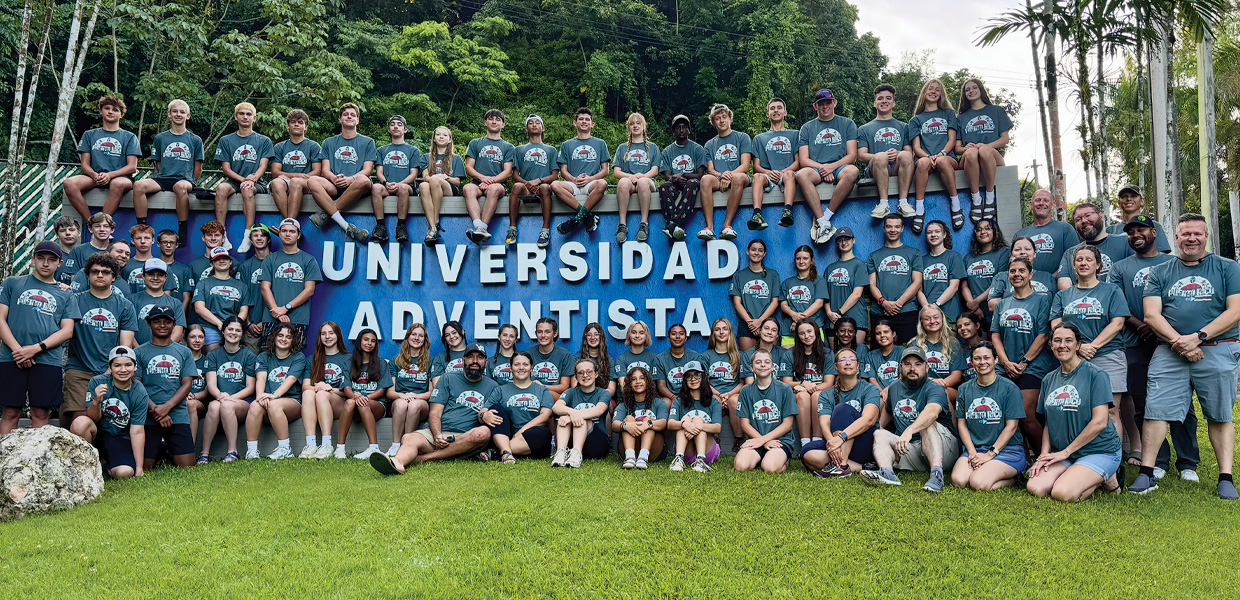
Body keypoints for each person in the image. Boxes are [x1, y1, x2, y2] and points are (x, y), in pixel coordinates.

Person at [1131, 214, 1240, 499]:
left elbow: (1235, 311)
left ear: (1206, 237)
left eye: (1197, 233)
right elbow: (1151, 314)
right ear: (1176, 238)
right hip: (1170, 350)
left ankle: (1225, 477)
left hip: (1217, 348)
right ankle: (1146, 473)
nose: (1191, 238)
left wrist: (1198, 337)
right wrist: (1181, 343)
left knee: (1219, 414)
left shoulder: (1228, 268)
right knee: (1155, 411)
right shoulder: (1161, 272)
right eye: (1185, 234)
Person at [1109, 215, 1198, 480]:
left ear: (1154, 233)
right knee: (1142, 403)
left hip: (1171, 342)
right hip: (1134, 342)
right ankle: (1158, 460)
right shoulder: (1120, 267)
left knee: (1182, 403)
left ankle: (1188, 462)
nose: (1136, 234)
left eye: (1141, 230)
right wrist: (1141, 325)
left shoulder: (1174, 263)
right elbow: (1118, 304)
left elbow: (1182, 300)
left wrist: (1160, 328)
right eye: (1131, 231)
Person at [371, 343, 502, 473]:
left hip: (467, 436)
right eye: (470, 357)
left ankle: (426, 458)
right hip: (442, 433)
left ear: (485, 362)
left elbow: (485, 416)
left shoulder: (493, 386)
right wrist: (437, 435)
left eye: (479, 357)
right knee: (409, 438)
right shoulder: (448, 379)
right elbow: (435, 412)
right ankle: (397, 462)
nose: (474, 361)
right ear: (463, 360)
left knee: (482, 433)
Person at [1027, 323, 1123, 501]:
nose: (1062, 345)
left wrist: (1066, 452)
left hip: (1098, 450)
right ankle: (1081, 472)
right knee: (1035, 487)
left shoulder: (1096, 375)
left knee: (1062, 493)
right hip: (1064, 452)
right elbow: (1049, 422)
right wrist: (1043, 456)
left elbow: (1100, 422)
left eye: (1068, 340)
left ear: (1078, 345)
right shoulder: (1049, 379)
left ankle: (1107, 478)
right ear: (1051, 345)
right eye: (1057, 341)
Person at [1050, 244, 1130, 453]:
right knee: (1080, 409)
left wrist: (1092, 346)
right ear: (1073, 265)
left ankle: (1112, 462)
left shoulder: (1111, 290)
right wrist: (1079, 348)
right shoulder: (1063, 296)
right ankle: (1082, 455)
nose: (1083, 263)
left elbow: (1117, 323)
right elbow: (1056, 325)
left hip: (1108, 354)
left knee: (1111, 412)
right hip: (1074, 359)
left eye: (1088, 260)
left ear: (1098, 265)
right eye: (1079, 260)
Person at [0, 242, 77, 435]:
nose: (45, 264)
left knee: (41, 412)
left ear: (59, 263)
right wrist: (19, 351)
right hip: (11, 357)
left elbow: (67, 331)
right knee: (10, 411)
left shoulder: (65, 293)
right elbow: (1, 319)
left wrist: (34, 349)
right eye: (41, 258)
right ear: (33, 259)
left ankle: (37, 463)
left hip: (47, 360)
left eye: (52, 260)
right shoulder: (13, 283)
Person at [861, 346, 959, 492]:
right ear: (901, 367)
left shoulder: (934, 388)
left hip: (944, 451)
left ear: (927, 368)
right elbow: (887, 412)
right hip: (913, 449)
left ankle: (937, 476)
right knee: (879, 434)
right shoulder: (894, 387)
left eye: (918, 364)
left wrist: (909, 430)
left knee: (927, 423)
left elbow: (932, 413)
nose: (912, 368)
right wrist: (879, 433)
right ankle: (887, 474)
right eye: (907, 364)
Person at [63, 253, 138, 429]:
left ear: (114, 277)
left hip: (112, 370)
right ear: (87, 275)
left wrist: (110, 370)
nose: (99, 275)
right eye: (95, 271)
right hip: (79, 369)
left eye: (105, 272)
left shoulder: (125, 306)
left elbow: (124, 346)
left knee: (112, 419)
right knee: (80, 418)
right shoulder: (74, 300)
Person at [990, 256, 1054, 455]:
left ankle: (1041, 456)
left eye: (1021, 271)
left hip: (1033, 366)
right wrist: (1006, 362)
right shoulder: (1002, 304)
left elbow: (1044, 334)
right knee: (1003, 415)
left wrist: (1024, 362)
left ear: (1030, 274)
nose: (1017, 274)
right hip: (1005, 366)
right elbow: (995, 335)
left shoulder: (1043, 300)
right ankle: (1021, 458)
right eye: (1013, 271)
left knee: (1026, 415)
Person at [951, 341, 1027, 490]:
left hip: (1007, 450)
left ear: (995, 360)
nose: (982, 362)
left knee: (978, 483)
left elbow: (1012, 427)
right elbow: (962, 424)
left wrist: (990, 454)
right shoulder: (964, 389)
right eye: (977, 359)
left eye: (987, 358)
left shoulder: (1010, 388)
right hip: (976, 449)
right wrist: (972, 452)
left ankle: (1014, 478)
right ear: (972, 362)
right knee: (958, 480)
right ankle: (987, 470)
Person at [134, 305, 199, 470]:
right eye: (157, 321)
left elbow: (187, 384)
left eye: (166, 322)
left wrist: (167, 407)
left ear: (174, 325)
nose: (162, 325)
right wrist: (157, 411)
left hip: (177, 414)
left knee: (187, 468)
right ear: (149, 324)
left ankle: (166, 451)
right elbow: (136, 385)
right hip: (148, 415)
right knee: (145, 467)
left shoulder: (184, 352)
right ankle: (162, 450)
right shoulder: (139, 352)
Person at [801, 348, 883, 477]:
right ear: (836, 367)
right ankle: (861, 468)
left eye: (852, 359)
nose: (848, 362)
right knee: (807, 452)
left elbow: (869, 420)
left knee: (842, 409)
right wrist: (832, 444)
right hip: (837, 443)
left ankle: (841, 466)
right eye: (843, 360)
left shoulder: (870, 389)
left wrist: (841, 438)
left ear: (858, 366)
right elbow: (824, 423)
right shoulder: (826, 394)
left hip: (864, 442)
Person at [131, 99, 203, 244]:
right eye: (175, 111)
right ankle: (142, 227)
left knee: (180, 187)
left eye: (182, 112)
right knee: (138, 186)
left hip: (185, 180)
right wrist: (165, 175)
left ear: (187, 116)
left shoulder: (195, 140)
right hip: (163, 178)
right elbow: (158, 163)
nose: (178, 114)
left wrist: (191, 182)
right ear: (169, 114)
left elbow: (198, 167)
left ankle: (182, 227)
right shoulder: (160, 138)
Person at [69, 346, 148, 478]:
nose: (123, 370)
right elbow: (93, 417)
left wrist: (139, 468)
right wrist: (96, 401)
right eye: (117, 365)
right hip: (98, 434)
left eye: (128, 365)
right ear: (110, 368)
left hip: (121, 438)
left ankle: (104, 466)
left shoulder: (140, 392)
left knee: (125, 472)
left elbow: (137, 431)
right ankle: (81, 466)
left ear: (135, 367)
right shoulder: (98, 382)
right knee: (80, 423)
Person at [795, 88, 860, 243]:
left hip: (840, 167)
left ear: (834, 103)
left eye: (828, 103)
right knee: (802, 174)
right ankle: (823, 222)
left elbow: (852, 156)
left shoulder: (847, 123)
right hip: (816, 168)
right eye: (821, 104)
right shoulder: (807, 128)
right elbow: (803, 159)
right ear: (815, 106)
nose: (825, 106)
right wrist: (823, 168)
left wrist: (832, 167)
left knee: (853, 171)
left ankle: (826, 217)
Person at [64, 94, 140, 219]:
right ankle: (91, 221)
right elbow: (84, 165)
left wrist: (110, 175)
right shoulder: (89, 135)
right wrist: (95, 175)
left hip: (120, 178)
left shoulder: (130, 137)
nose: (110, 112)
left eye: (115, 110)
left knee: (117, 184)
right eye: (107, 108)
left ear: (121, 115)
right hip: (95, 176)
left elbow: (132, 167)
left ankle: (103, 222)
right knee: (69, 183)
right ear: (101, 111)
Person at [308, 102, 374, 243]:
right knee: (312, 180)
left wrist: (351, 179)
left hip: (356, 185)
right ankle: (345, 226)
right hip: (334, 184)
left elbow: (368, 170)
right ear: (340, 119)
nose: (349, 117)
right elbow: (325, 170)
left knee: (363, 180)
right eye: (345, 114)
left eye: (353, 115)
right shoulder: (328, 142)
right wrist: (333, 177)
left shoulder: (368, 142)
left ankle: (328, 213)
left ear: (358, 120)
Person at [213, 102, 274, 252]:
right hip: (235, 181)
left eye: (248, 114)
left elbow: (263, 166)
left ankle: (248, 234)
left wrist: (251, 180)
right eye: (242, 114)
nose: (245, 117)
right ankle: (222, 234)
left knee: (247, 190)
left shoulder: (264, 141)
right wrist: (243, 180)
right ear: (236, 117)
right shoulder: (226, 140)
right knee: (221, 188)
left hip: (257, 181)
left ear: (254, 118)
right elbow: (226, 169)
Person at [199, 317, 257, 463]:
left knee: (225, 405)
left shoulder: (249, 355)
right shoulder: (213, 355)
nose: (233, 333)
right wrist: (220, 396)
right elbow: (211, 384)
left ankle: (232, 451)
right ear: (223, 331)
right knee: (213, 406)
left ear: (242, 334)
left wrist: (230, 398)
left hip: (243, 402)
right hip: (220, 399)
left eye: (238, 330)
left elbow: (250, 387)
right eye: (230, 329)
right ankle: (204, 454)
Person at [245, 322, 307, 460]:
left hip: (292, 401)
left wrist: (274, 395)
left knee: (274, 404)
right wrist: (260, 396)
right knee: (255, 405)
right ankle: (252, 451)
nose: (283, 339)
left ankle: (285, 449)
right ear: (273, 337)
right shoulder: (263, 357)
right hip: (268, 399)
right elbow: (260, 379)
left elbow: (290, 380)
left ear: (293, 340)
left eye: (288, 337)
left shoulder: (298, 357)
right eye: (280, 335)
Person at [259, 219, 321, 352]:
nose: (288, 234)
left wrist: (286, 308)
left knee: (294, 358)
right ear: (279, 234)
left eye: (292, 231)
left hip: (298, 319)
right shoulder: (270, 259)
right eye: (284, 231)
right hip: (271, 318)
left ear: (298, 235)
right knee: (268, 356)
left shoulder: (309, 260)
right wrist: (277, 311)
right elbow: (265, 288)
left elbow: (309, 290)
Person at [908, 79, 963, 230]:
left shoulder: (949, 113)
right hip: (926, 158)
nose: (933, 92)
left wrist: (941, 153)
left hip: (947, 157)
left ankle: (955, 204)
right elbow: (916, 147)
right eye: (930, 89)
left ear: (941, 94)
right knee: (922, 163)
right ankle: (919, 209)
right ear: (924, 93)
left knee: (943, 162)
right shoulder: (915, 120)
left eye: (937, 90)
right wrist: (927, 157)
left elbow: (952, 139)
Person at [955, 78, 1011, 224]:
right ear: (964, 95)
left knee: (984, 151)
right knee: (972, 153)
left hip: (992, 157)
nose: (971, 91)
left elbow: (1005, 139)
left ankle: (990, 197)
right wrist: (966, 149)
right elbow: (957, 148)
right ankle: (976, 200)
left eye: (974, 88)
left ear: (981, 90)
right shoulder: (961, 117)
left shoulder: (996, 111)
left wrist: (985, 146)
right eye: (967, 90)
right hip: (970, 158)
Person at [734, 349, 797, 473]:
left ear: (773, 367)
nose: (763, 365)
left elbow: (788, 424)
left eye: (767, 362)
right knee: (740, 466)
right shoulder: (746, 391)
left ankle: (782, 459)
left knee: (770, 468)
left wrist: (764, 440)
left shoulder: (785, 389)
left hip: (780, 440)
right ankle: (763, 456)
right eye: (758, 362)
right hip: (756, 438)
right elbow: (744, 424)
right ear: (751, 368)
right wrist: (762, 441)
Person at [859, 85, 915, 225]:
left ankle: (903, 202)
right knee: (880, 157)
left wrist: (898, 154)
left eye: (888, 98)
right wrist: (881, 156)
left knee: (906, 155)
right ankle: (883, 203)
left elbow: (909, 153)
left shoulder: (903, 127)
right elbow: (861, 155)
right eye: (880, 98)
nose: (884, 101)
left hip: (897, 169)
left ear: (894, 103)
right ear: (875, 103)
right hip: (875, 170)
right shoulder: (864, 129)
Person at [487, 351, 555, 461]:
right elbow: (484, 411)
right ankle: (506, 451)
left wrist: (522, 431)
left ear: (532, 368)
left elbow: (545, 416)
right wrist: (484, 415)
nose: (521, 368)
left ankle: (499, 451)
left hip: (532, 435)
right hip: (507, 434)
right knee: (495, 409)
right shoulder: (500, 390)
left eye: (525, 364)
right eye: (517, 364)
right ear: (510, 368)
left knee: (544, 433)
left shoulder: (543, 390)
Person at [552, 108, 610, 236]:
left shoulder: (600, 143)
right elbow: (563, 170)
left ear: (592, 124)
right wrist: (574, 179)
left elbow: (606, 170)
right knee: (555, 185)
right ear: (575, 123)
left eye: (587, 120)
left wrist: (590, 179)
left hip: (591, 182)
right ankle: (587, 216)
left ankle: (575, 220)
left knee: (603, 184)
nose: (584, 122)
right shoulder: (566, 144)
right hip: (574, 183)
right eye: (581, 119)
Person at [336, 329, 393, 459]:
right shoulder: (349, 363)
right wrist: (354, 396)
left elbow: (381, 391)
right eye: (366, 339)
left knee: (363, 403)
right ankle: (340, 449)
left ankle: (373, 448)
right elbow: (346, 387)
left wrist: (364, 398)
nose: (369, 343)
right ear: (359, 341)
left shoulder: (381, 363)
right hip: (354, 405)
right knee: (349, 402)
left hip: (377, 406)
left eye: (373, 341)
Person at [700, 103, 754, 239]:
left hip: (740, 177)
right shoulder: (709, 144)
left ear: (730, 118)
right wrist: (722, 175)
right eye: (717, 118)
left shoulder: (742, 137)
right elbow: (711, 170)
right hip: (719, 178)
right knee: (705, 179)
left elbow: (746, 165)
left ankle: (727, 226)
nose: (722, 120)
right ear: (713, 122)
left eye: (724, 117)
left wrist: (729, 176)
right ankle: (709, 228)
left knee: (738, 178)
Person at [868, 214, 924, 344]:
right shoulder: (874, 256)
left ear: (902, 228)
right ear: (884, 229)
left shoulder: (914, 253)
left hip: (907, 312)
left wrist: (897, 304)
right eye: (889, 226)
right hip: (880, 313)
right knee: (879, 355)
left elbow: (917, 282)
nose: (893, 230)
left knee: (908, 353)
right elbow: (872, 285)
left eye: (897, 227)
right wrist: (884, 303)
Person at [547, 357, 613, 467]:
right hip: (573, 441)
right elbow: (556, 407)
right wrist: (572, 414)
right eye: (580, 373)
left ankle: (577, 453)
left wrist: (570, 416)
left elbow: (599, 410)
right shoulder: (570, 392)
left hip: (596, 443)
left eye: (589, 372)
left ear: (596, 374)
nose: (585, 375)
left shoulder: (604, 393)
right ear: (576, 377)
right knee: (564, 419)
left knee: (580, 419)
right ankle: (561, 453)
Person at [462, 109, 515, 245]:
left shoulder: (508, 147)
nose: (494, 121)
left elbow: (508, 171)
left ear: (503, 125)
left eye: (498, 119)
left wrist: (491, 181)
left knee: (494, 189)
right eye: (491, 119)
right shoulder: (475, 143)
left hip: (499, 185)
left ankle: (483, 227)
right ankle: (479, 226)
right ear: (485, 123)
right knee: (468, 188)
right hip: (478, 183)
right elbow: (469, 167)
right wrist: (482, 178)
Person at [387, 323, 438, 456]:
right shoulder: (395, 361)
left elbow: (431, 392)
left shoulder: (431, 361)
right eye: (413, 334)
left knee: (414, 405)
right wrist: (402, 396)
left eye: (421, 336)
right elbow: (390, 392)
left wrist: (416, 396)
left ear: (425, 340)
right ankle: (395, 444)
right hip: (401, 399)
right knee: (401, 404)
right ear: (408, 337)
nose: (417, 338)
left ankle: (407, 444)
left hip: (421, 402)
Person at [302, 321, 351, 459]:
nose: (327, 337)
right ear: (319, 337)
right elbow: (305, 386)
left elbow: (348, 391)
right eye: (323, 334)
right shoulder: (312, 359)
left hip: (339, 404)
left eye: (331, 333)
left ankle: (327, 444)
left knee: (322, 394)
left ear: (338, 336)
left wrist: (329, 389)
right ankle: (311, 444)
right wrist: (319, 387)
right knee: (308, 393)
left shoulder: (348, 358)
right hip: (318, 402)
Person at [371, 115, 423, 244]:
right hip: (386, 185)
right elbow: (379, 172)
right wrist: (385, 183)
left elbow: (414, 174)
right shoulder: (381, 150)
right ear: (389, 129)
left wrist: (399, 184)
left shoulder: (413, 150)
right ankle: (380, 226)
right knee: (376, 187)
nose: (395, 126)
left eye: (399, 124)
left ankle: (401, 226)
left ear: (405, 130)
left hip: (405, 185)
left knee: (404, 188)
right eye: (392, 124)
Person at [751, 98, 801, 229]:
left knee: (790, 174)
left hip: (788, 174)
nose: (776, 110)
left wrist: (783, 173)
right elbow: (756, 166)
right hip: (768, 175)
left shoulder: (795, 134)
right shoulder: (759, 138)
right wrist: (769, 172)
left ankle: (788, 211)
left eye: (779, 108)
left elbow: (799, 161)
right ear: (767, 114)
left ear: (785, 112)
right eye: (772, 108)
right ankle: (757, 214)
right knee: (757, 177)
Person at [1057, 203, 1133, 289]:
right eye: (1078, 219)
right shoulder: (1070, 253)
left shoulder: (1125, 242)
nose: (1084, 221)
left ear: (1101, 216)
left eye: (1088, 215)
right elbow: (1064, 282)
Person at [612, 112, 661, 244]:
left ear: (644, 126)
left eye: (638, 123)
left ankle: (644, 224)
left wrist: (642, 177)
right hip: (629, 181)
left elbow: (655, 170)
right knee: (622, 182)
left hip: (647, 181)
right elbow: (616, 172)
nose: (635, 126)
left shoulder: (653, 147)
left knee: (644, 182)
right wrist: (631, 176)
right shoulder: (622, 148)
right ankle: (622, 225)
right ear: (628, 127)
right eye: (632, 123)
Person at [658, 114, 709, 239]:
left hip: (692, 182)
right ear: (673, 131)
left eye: (684, 127)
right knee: (663, 187)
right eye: (678, 127)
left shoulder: (697, 149)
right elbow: (667, 175)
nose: (681, 130)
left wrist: (684, 175)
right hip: (674, 183)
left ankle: (672, 224)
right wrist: (675, 179)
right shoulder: (667, 151)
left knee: (692, 183)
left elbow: (701, 174)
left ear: (689, 130)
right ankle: (677, 226)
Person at [510, 115, 558, 248]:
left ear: (543, 128)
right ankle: (512, 228)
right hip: (525, 186)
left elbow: (555, 175)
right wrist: (528, 184)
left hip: (542, 187)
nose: (534, 125)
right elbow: (514, 175)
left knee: (545, 188)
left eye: (537, 123)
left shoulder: (551, 150)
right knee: (516, 186)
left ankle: (545, 230)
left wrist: (539, 181)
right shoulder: (519, 149)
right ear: (526, 129)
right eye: (531, 123)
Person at [668, 361, 723, 472]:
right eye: (689, 376)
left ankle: (701, 460)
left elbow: (717, 427)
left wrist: (697, 426)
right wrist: (686, 424)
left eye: (697, 375)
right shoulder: (679, 402)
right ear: (685, 381)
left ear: (703, 377)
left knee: (698, 420)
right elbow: (670, 424)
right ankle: (679, 459)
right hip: (686, 450)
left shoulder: (714, 402)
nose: (693, 379)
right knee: (684, 421)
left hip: (708, 450)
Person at [790, 319, 837, 447]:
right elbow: (786, 382)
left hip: (820, 391)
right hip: (799, 393)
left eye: (809, 331)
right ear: (798, 336)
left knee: (817, 396)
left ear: (816, 332)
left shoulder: (827, 353)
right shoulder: (790, 354)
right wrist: (804, 383)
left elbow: (829, 382)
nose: (806, 336)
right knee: (803, 396)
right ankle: (805, 443)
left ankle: (817, 442)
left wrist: (811, 387)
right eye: (802, 333)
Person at [192, 247, 250, 350]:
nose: (222, 261)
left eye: (225, 258)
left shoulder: (241, 285)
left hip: (234, 329)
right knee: (213, 359)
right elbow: (199, 308)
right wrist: (220, 324)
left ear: (230, 262)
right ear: (211, 264)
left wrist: (233, 326)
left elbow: (244, 310)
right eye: (217, 259)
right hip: (210, 328)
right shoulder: (203, 283)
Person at [700, 318, 745, 451]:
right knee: (715, 401)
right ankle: (714, 440)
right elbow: (704, 382)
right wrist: (719, 394)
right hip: (713, 393)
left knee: (734, 400)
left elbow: (742, 383)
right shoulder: (706, 356)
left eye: (725, 329)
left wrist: (729, 395)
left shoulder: (739, 356)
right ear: (713, 333)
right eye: (717, 329)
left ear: (730, 332)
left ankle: (739, 439)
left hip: (733, 394)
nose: (721, 332)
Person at [270, 109, 323, 220]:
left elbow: (317, 171)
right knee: (276, 183)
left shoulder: (314, 146)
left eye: (300, 122)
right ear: (288, 126)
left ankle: (289, 223)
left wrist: (295, 177)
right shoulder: (279, 147)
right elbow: (275, 172)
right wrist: (295, 175)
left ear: (306, 127)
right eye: (293, 122)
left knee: (295, 182)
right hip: (286, 181)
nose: (296, 124)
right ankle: (290, 222)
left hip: (306, 182)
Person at [612, 367, 669, 469]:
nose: (638, 382)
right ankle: (630, 457)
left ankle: (643, 457)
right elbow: (614, 425)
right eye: (633, 379)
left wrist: (647, 424)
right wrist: (626, 425)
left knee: (648, 421)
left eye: (642, 378)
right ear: (629, 384)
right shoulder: (624, 404)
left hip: (653, 449)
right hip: (627, 449)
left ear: (648, 381)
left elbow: (663, 423)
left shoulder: (659, 402)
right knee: (629, 420)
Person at [730, 239, 781, 351]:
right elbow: (737, 303)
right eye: (753, 250)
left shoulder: (773, 275)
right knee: (748, 361)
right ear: (748, 251)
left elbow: (775, 301)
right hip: (746, 323)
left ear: (764, 253)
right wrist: (750, 323)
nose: (756, 253)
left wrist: (761, 321)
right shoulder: (739, 276)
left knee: (770, 361)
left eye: (760, 250)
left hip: (767, 323)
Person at [419, 126, 466, 246]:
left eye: (445, 135)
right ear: (434, 139)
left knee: (434, 180)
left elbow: (458, 182)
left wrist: (445, 177)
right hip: (431, 186)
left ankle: (435, 220)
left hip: (449, 188)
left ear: (449, 140)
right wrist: (435, 178)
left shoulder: (456, 158)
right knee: (423, 186)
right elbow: (425, 177)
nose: (441, 137)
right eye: (438, 134)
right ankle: (433, 227)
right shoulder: (425, 157)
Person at [909, 304, 966, 403]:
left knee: (941, 392)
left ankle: (950, 419)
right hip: (920, 387)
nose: (932, 321)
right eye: (927, 319)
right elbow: (910, 373)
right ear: (921, 322)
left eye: (935, 317)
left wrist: (937, 386)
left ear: (942, 319)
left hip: (948, 388)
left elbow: (956, 376)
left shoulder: (953, 344)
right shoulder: (914, 345)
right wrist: (930, 383)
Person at [1015, 189, 1080, 276]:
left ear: (1053, 205)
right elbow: (1014, 263)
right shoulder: (1020, 234)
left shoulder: (1065, 229)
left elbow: (1074, 259)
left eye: (1046, 200)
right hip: (1026, 285)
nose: (1041, 203)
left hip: (1058, 285)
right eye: (1038, 200)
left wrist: (1051, 280)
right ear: (1031, 205)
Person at [822, 228, 868, 344]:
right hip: (832, 320)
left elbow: (857, 294)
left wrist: (839, 314)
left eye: (847, 239)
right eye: (840, 240)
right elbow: (825, 295)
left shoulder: (859, 265)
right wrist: (829, 313)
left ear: (854, 241)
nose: (844, 243)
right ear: (837, 244)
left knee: (856, 356)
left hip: (855, 318)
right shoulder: (829, 269)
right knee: (836, 358)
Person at [988, 236, 1057, 312]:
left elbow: (1055, 306)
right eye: (1017, 249)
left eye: (1027, 249)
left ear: (1034, 254)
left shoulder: (1047, 277)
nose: (1022, 252)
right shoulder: (1001, 277)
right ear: (1011, 254)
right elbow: (992, 305)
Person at [918, 220, 966, 321]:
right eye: (929, 232)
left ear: (944, 235)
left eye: (937, 231)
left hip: (949, 312)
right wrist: (927, 307)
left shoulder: (954, 256)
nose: (933, 235)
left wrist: (937, 305)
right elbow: (918, 289)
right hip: (927, 312)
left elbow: (954, 286)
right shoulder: (921, 260)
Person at [962, 217, 1010, 320]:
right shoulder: (968, 258)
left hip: (995, 307)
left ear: (995, 231)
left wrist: (976, 302)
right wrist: (973, 305)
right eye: (979, 229)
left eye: (987, 228)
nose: (983, 232)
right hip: (974, 311)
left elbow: (999, 281)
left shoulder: (1004, 252)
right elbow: (964, 285)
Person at [130, 259, 186, 345]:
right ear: (143, 276)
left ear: (165, 278)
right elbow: (128, 330)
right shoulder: (131, 300)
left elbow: (178, 333)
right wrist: (140, 352)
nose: (155, 278)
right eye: (151, 274)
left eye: (160, 275)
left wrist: (159, 349)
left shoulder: (176, 303)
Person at [780, 245, 826, 344]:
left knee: (815, 358)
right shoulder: (787, 283)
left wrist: (798, 321)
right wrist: (793, 315)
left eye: (805, 258)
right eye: (798, 259)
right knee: (789, 358)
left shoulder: (819, 281)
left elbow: (819, 304)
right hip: (789, 330)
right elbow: (783, 305)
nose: (801, 262)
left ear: (812, 260)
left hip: (813, 329)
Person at [237, 225, 271, 352]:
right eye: (255, 235)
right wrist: (248, 323)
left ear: (268, 239)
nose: (259, 238)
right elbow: (241, 297)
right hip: (251, 327)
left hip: (273, 324)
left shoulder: (277, 262)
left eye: (262, 235)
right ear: (250, 240)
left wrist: (267, 321)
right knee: (250, 367)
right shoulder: (245, 266)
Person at [1107, 185, 1170, 253]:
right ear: (1119, 203)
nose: (1128, 199)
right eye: (1124, 196)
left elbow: (1163, 255)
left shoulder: (1153, 225)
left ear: (1142, 201)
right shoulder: (1111, 230)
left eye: (1133, 196)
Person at [527, 317, 576, 400]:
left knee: (546, 393)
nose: (543, 335)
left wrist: (542, 387)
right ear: (536, 334)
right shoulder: (528, 354)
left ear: (555, 333)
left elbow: (564, 387)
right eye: (540, 332)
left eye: (547, 332)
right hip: (531, 396)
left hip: (555, 398)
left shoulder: (565, 355)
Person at [654, 323, 700, 404]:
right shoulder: (660, 359)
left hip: (691, 394)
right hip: (670, 396)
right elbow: (661, 385)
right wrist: (673, 397)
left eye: (681, 334)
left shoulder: (695, 357)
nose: (677, 337)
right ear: (668, 338)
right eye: (674, 334)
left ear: (685, 338)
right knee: (666, 402)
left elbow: (699, 381)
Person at [612, 320, 659, 393]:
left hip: (648, 399)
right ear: (629, 335)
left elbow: (654, 386)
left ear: (646, 336)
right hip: (626, 400)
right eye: (633, 332)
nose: (637, 336)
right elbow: (623, 386)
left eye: (641, 333)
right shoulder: (621, 359)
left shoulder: (654, 358)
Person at [65, 213, 115, 280]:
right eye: (97, 226)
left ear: (112, 229)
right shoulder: (78, 250)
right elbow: (74, 279)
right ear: (90, 229)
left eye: (106, 226)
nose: (102, 229)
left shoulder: (116, 252)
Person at [156, 230, 195, 313]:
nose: (168, 245)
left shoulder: (185, 269)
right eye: (165, 242)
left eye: (172, 243)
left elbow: (186, 298)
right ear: (158, 244)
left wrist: (179, 318)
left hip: (176, 313)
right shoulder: (151, 267)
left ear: (176, 245)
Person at [184, 325, 209, 452]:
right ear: (186, 339)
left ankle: (190, 449)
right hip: (180, 400)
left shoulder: (208, 361)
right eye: (192, 337)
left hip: (199, 402)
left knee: (191, 404)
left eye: (201, 337)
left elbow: (209, 388)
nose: (197, 340)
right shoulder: (181, 360)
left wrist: (194, 396)